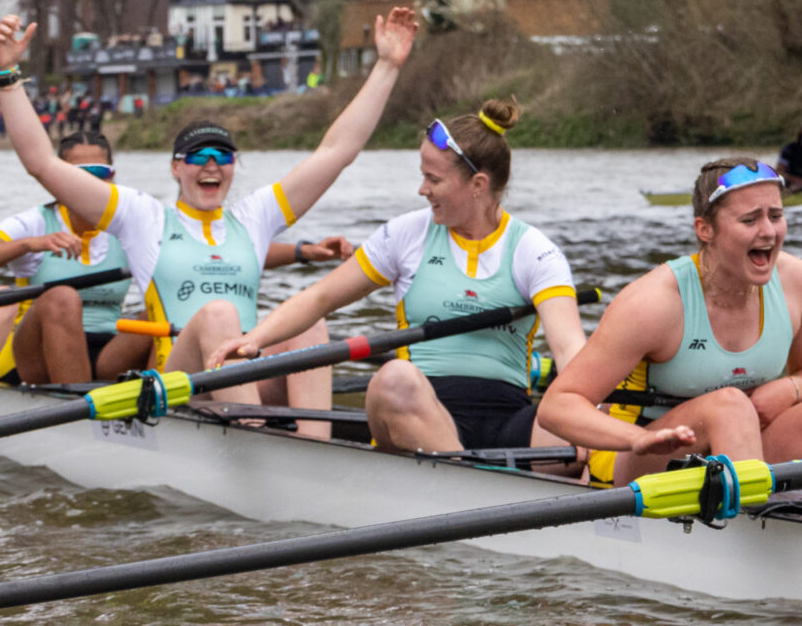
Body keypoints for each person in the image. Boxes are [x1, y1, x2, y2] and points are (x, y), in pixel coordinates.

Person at [0, 8, 415, 434]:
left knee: (310, 323)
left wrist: (387, 66)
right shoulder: (144, 218)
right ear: (176, 168)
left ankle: (313, 445)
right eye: (198, 157)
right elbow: (41, 163)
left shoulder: (254, 217)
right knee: (218, 315)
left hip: (243, 373)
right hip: (180, 380)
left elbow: (335, 152)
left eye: (222, 156)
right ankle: (254, 439)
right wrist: (7, 76)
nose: (211, 165)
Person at [214, 100, 585, 460]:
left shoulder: (533, 250)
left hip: (510, 420)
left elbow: (570, 350)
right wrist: (254, 340)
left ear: (478, 184)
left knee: (571, 412)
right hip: (419, 408)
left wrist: (587, 419)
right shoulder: (407, 235)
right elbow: (319, 299)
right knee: (393, 377)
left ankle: (480, 480)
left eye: (432, 178)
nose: (422, 189)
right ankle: (470, 480)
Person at [537, 157, 802, 525]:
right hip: (640, 463)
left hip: (740, 447)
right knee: (729, 407)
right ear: (705, 229)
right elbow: (558, 407)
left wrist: (790, 389)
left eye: (775, 216)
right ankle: (750, 542)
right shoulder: (653, 303)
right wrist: (634, 438)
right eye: (750, 220)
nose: (769, 232)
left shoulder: (798, 282)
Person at [0, 130, 132, 386]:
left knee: (150, 320)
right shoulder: (35, 223)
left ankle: (176, 408)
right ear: (57, 179)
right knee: (63, 297)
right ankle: (75, 412)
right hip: (33, 355)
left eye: (98, 174)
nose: (89, 185)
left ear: (112, 176)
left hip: (106, 351)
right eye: (77, 175)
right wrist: (28, 245)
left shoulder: (130, 225)